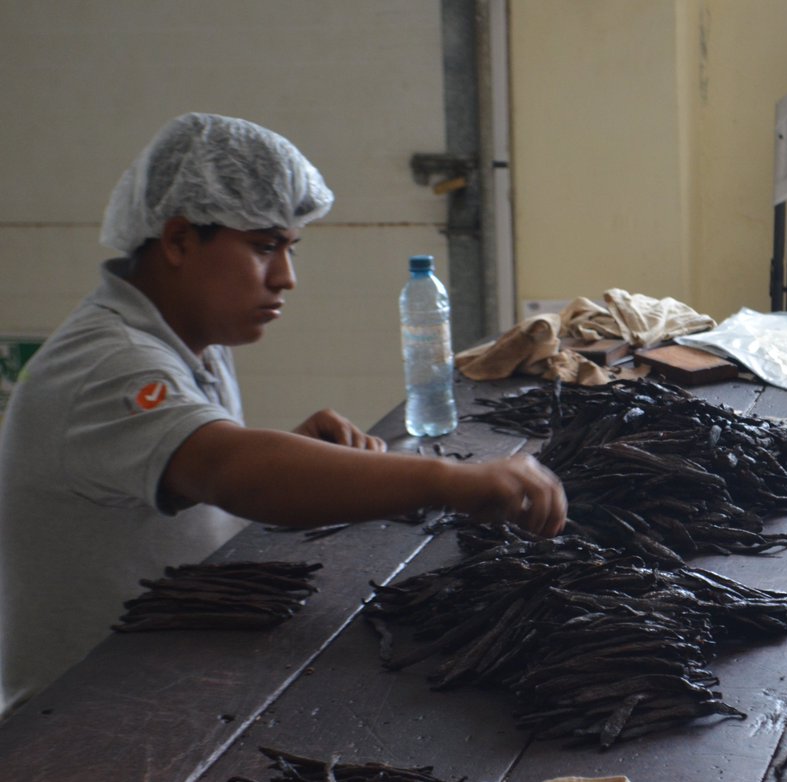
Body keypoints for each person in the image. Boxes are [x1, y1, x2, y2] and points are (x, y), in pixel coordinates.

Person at [0, 113, 566, 718]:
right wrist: (449, 480)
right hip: (80, 718)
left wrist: (298, 457)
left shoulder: (190, 340)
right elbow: (227, 471)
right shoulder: (111, 363)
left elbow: (193, 478)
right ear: (179, 240)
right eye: (264, 246)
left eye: (290, 249)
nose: (286, 278)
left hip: (165, 666)